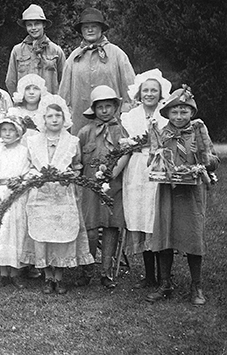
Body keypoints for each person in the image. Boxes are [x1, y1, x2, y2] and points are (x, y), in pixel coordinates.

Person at [146, 88, 219, 305]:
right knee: (165, 233)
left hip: (191, 192)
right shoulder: (161, 132)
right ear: (167, 114)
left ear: (191, 113)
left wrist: (201, 155)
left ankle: (196, 286)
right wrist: (157, 160)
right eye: (174, 112)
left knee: (193, 235)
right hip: (167, 190)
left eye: (184, 112)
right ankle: (165, 283)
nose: (179, 117)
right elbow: (153, 159)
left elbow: (213, 161)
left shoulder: (198, 130)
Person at [22, 102, 94, 294]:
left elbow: (77, 166)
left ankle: (59, 276)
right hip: (40, 193)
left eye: (58, 116)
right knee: (41, 232)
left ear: (64, 119)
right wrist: (34, 177)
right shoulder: (33, 141)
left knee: (63, 233)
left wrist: (71, 175)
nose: (54, 120)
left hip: (63, 193)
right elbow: (28, 166)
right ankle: (47, 276)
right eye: (50, 116)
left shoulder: (72, 142)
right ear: (43, 119)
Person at [120, 69, 171, 289]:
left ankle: (165, 278)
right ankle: (149, 276)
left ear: (160, 94)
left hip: (159, 168)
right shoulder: (130, 117)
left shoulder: (167, 116)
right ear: (139, 93)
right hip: (137, 168)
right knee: (141, 218)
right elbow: (125, 145)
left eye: (154, 90)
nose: (149, 94)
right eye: (145, 90)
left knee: (156, 218)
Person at [77, 85, 130, 288]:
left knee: (110, 227)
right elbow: (78, 160)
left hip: (113, 187)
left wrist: (111, 175)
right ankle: (87, 269)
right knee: (90, 229)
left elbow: (127, 154)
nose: (105, 111)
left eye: (109, 106)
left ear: (115, 107)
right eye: (100, 107)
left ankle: (106, 271)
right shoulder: (85, 132)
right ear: (94, 109)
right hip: (90, 187)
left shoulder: (121, 131)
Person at [59, 8, 135, 134]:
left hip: (111, 119)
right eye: (86, 27)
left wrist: (126, 112)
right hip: (80, 120)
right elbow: (64, 92)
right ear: (81, 31)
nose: (90, 30)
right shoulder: (74, 57)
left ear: (101, 29)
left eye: (94, 26)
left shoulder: (116, 53)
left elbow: (130, 87)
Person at [0, 115, 31, 289]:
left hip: (16, 195)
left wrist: (16, 191)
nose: (7, 133)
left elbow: (27, 176)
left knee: (15, 232)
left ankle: (15, 272)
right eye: (4, 130)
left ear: (18, 132)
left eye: (11, 130)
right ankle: (3, 272)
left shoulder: (24, 152)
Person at [5, 4, 66, 95]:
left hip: (49, 105)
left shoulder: (56, 51)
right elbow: (11, 81)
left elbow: (64, 82)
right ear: (25, 27)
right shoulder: (17, 51)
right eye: (29, 25)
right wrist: (20, 101)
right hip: (26, 106)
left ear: (44, 24)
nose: (33, 28)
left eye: (37, 24)